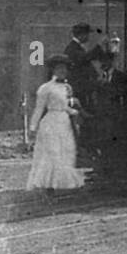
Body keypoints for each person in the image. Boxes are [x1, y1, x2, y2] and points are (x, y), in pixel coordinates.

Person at [26, 54, 85, 193]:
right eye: (59, 68)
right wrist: (32, 127)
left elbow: (65, 107)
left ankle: (63, 183)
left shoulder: (67, 87)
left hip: (65, 123)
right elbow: (39, 108)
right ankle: (49, 185)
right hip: (51, 123)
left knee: (67, 151)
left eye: (64, 69)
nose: (62, 71)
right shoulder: (46, 88)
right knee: (53, 153)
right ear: (53, 70)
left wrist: (75, 111)